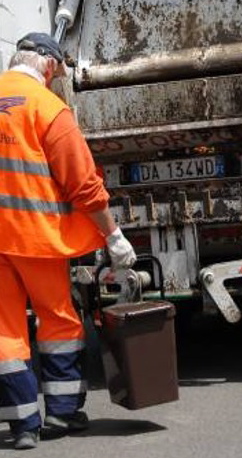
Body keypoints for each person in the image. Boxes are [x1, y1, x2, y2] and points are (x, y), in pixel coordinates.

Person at [0, 32, 137, 449]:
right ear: (47, 63)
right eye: (58, 67)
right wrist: (112, 235)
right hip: (35, 239)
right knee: (58, 320)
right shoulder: (48, 108)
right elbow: (84, 185)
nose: (58, 75)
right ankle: (60, 415)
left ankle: (23, 426)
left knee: (5, 332)